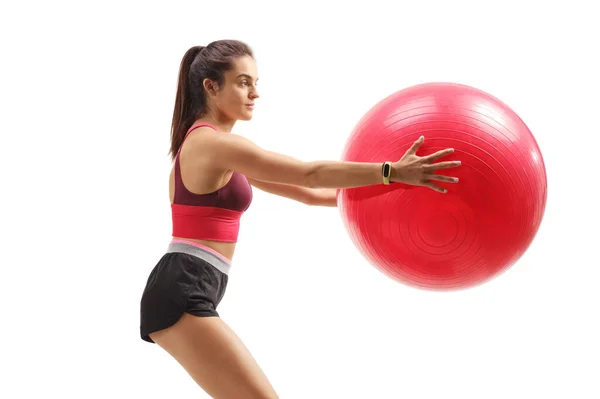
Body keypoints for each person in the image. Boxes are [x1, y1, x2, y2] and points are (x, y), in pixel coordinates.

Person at [139, 39, 461, 399]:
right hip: (183, 286)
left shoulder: (220, 151)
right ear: (211, 87)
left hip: (191, 283)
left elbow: (310, 194)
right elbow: (308, 173)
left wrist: (396, 196)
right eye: (243, 82)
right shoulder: (213, 145)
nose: (255, 93)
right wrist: (390, 172)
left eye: (256, 83)